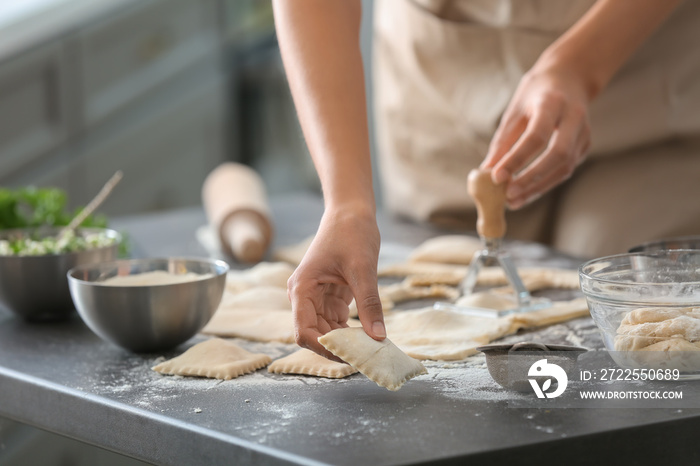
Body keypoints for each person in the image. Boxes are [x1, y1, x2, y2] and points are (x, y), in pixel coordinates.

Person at [272, 0, 700, 358]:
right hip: (444, 78)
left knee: (626, 303)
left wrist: (579, 66)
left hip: (642, 78)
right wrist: (347, 205)